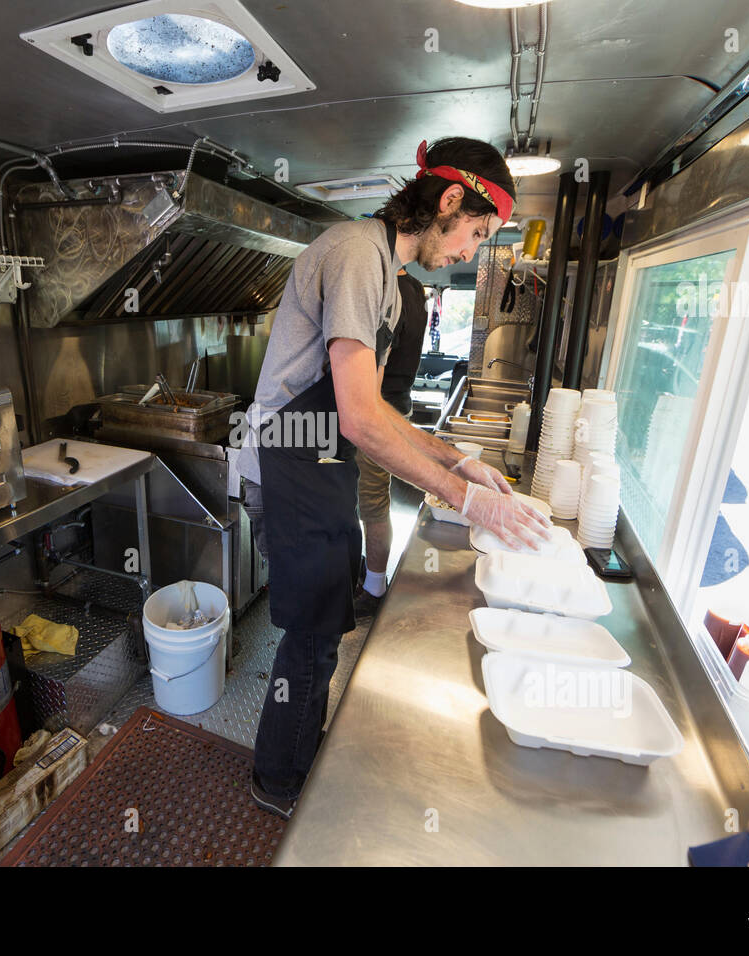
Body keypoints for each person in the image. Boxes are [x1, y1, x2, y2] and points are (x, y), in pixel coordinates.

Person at [237, 137, 552, 819]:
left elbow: (374, 411)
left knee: (329, 619)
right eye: (477, 230)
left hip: (319, 463)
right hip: (286, 458)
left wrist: (454, 459)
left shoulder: (390, 278)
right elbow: (356, 417)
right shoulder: (356, 253)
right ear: (448, 201)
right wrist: (464, 499)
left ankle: (299, 758)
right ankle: (278, 781)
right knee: (310, 630)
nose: (471, 250)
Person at [351, 266, 428, 621]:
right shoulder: (414, 288)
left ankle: (374, 590)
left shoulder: (386, 290)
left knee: (372, 504)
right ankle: (365, 574)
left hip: (377, 414)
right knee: (369, 501)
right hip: (395, 407)